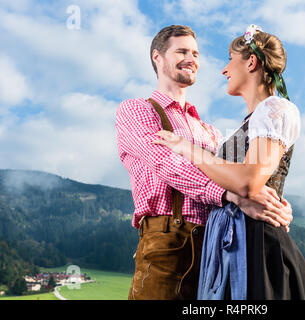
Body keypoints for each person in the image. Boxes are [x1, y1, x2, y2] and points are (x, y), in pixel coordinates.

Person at [115, 25, 294, 300]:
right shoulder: (137, 110)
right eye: (182, 51)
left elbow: (237, 173)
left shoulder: (210, 132)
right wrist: (230, 194)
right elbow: (167, 165)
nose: (192, 58)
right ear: (157, 57)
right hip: (168, 244)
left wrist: (272, 202)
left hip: (219, 247)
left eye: (196, 53)